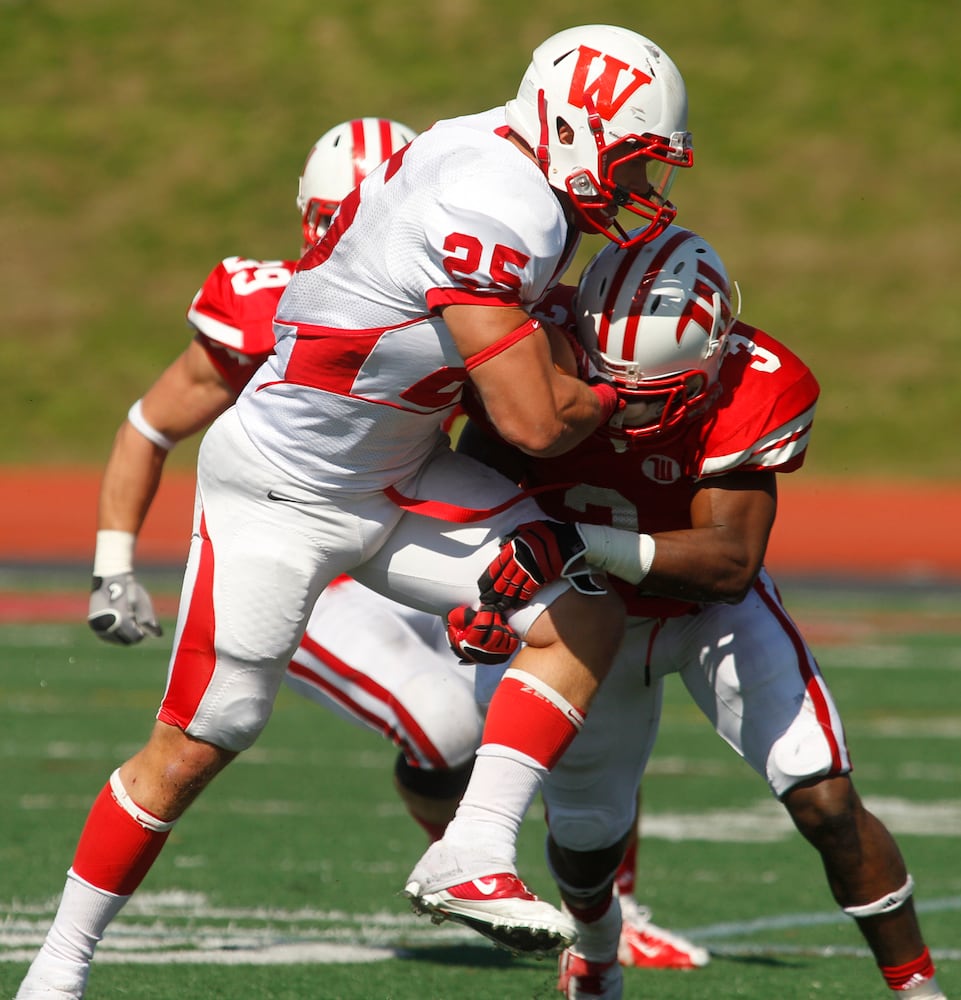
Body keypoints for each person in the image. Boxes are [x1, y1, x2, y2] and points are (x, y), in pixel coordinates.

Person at [17, 24, 695, 998]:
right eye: (633, 159)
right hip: (283, 492)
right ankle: (58, 969)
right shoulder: (500, 204)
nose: (643, 187)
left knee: (582, 607)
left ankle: (470, 847)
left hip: (402, 469)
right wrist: (621, 394)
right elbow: (534, 421)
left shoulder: (484, 145)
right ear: (575, 125)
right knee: (198, 744)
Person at [459, 225, 948, 999]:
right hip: (590, 622)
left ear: (717, 350)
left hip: (705, 613)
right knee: (587, 839)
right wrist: (488, 591)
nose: (625, 407)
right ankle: (595, 950)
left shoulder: (758, 382)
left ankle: (916, 989)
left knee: (824, 798)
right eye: (609, 380)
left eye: (653, 389)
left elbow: (727, 563)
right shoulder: (533, 349)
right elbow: (473, 496)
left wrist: (574, 541)